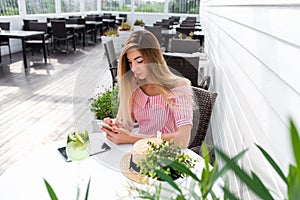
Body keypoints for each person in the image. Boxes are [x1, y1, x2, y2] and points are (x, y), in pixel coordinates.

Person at [101, 30, 195, 148]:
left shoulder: (179, 87)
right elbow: (126, 126)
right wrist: (113, 126)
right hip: (139, 153)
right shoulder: (134, 87)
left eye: (139, 61)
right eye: (130, 62)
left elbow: (182, 140)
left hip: (170, 156)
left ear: (153, 58)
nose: (134, 68)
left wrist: (132, 138)